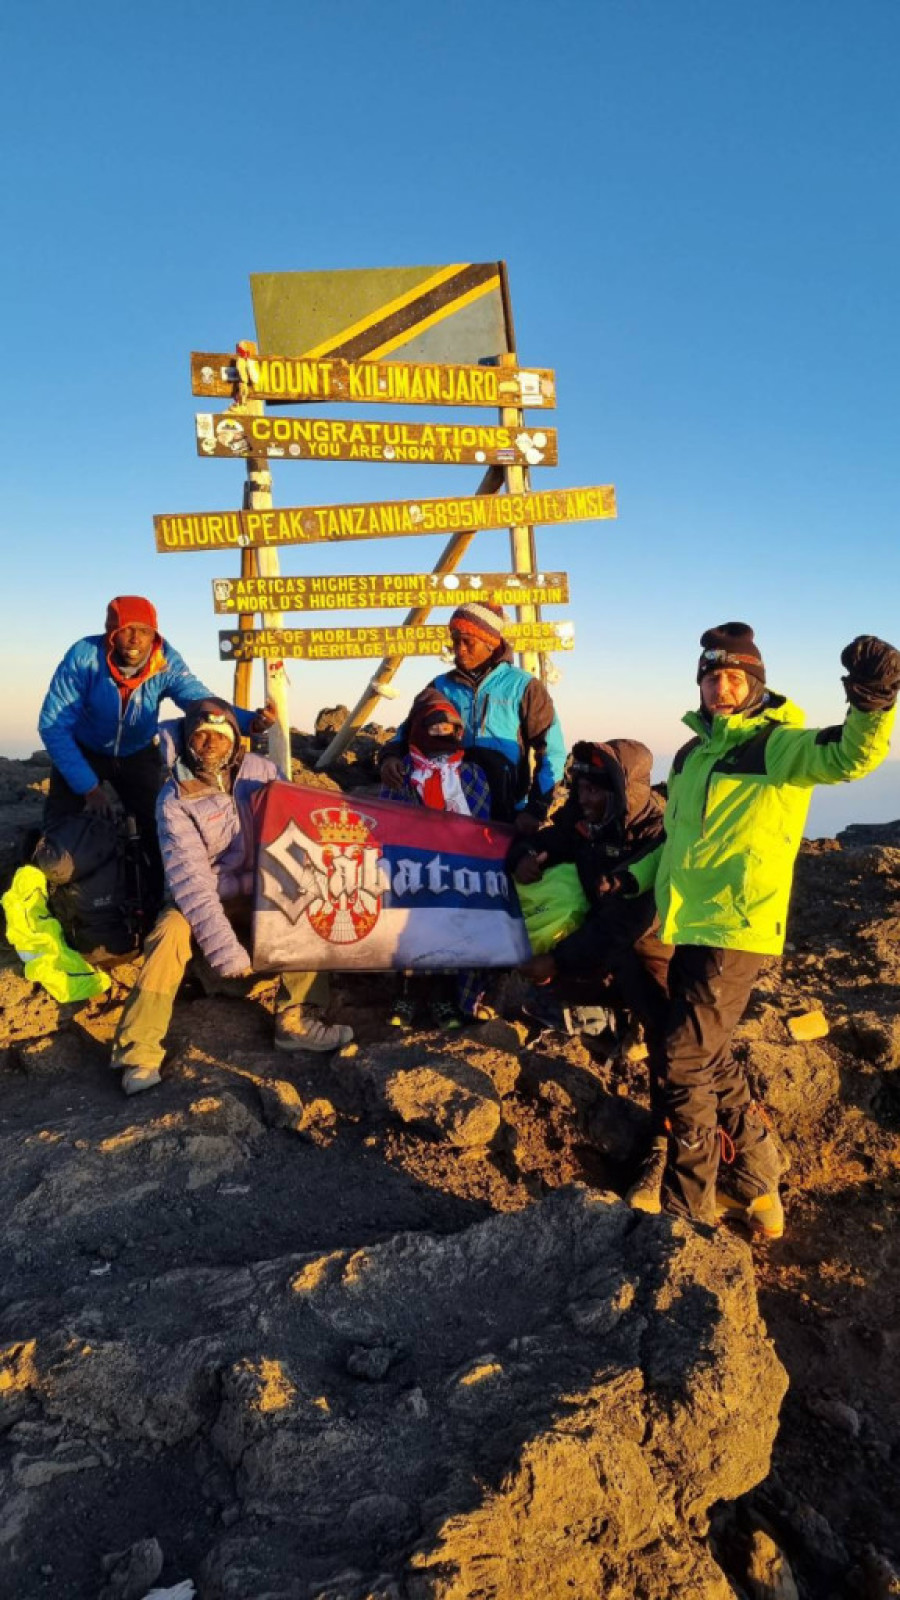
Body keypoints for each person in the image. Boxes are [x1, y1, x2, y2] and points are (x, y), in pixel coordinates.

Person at [614, 623, 899, 1238]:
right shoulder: (694, 754)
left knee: (683, 1064)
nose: (721, 687)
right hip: (688, 921)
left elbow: (849, 756)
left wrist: (873, 701)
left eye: (734, 677)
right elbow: (676, 840)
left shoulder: (776, 744)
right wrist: (633, 880)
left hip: (736, 926)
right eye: (712, 677)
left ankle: (689, 1210)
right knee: (709, 1059)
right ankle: (757, 1186)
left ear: (756, 684)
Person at [110, 698, 352, 1095]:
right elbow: (191, 881)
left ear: (236, 741)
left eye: (220, 736)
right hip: (204, 898)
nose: (209, 743)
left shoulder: (266, 775)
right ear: (188, 740)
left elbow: (293, 833)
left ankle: (296, 1021)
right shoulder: (174, 799)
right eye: (200, 735)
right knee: (169, 931)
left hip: (259, 890)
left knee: (308, 898)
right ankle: (139, 1049)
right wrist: (226, 950)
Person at [38, 595, 273, 904]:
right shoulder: (84, 658)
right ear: (110, 634)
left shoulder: (165, 662)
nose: (136, 639)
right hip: (86, 749)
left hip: (137, 753)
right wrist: (88, 787)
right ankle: (45, 900)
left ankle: (154, 902)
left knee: (155, 829)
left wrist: (248, 722)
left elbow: (199, 701)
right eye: (126, 630)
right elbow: (53, 725)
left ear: (155, 635)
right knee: (58, 826)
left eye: (145, 631)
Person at [509, 740, 671, 1131]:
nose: (583, 798)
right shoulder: (588, 822)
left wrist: (558, 959)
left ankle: (667, 1135)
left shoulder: (656, 837)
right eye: (581, 787)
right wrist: (521, 858)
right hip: (609, 937)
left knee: (671, 1041)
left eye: (595, 790)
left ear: (623, 792)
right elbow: (550, 839)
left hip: (657, 948)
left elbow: (625, 926)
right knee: (553, 986)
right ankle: (613, 1021)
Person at [380, 602, 565, 832]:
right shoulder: (440, 686)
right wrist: (390, 757)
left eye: (468, 641)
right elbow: (408, 731)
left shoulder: (524, 686)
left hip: (506, 810)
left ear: (491, 642)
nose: (460, 649)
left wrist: (535, 809)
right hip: (449, 806)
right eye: (455, 640)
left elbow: (552, 751)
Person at [377, 686, 494, 1029]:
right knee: (407, 932)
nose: (443, 735)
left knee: (451, 933)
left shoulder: (471, 774)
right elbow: (387, 819)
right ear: (418, 730)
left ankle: (444, 997)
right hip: (409, 870)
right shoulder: (400, 772)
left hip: (458, 871)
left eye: (450, 729)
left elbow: (482, 820)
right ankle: (407, 994)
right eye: (434, 728)